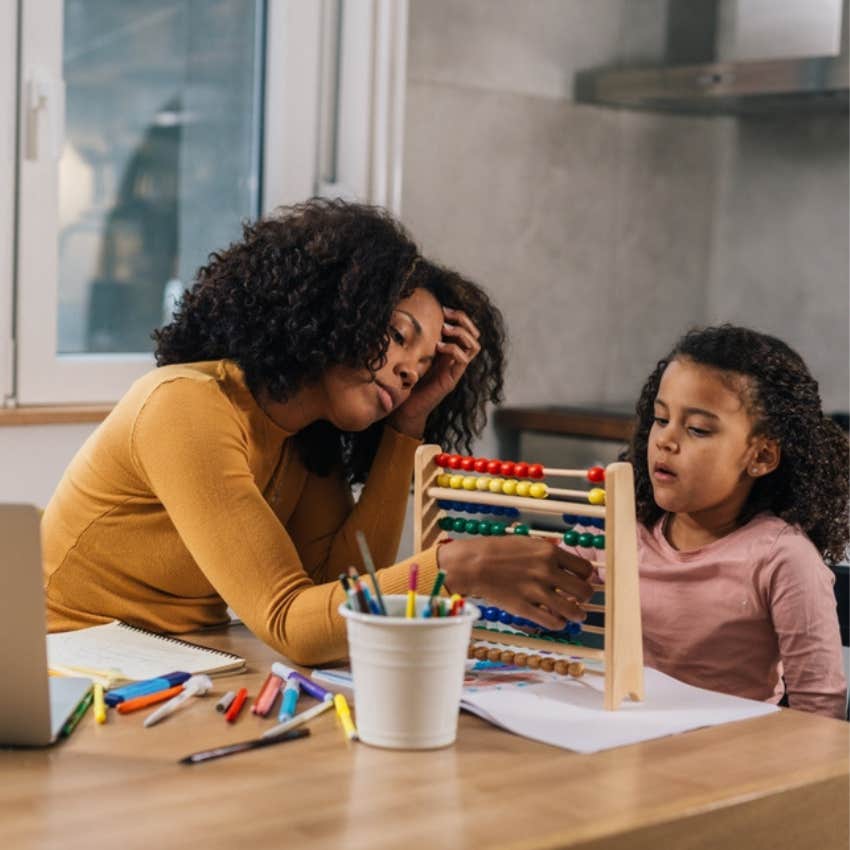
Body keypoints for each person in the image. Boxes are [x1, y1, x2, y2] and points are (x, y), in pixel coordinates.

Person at [43, 199, 593, 665]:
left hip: (174, 661)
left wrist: (407, 423)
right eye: (400, 336)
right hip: (63, 665)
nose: (408, 371)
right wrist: (457, 569)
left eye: (423, 369)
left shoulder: (303, 438)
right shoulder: (185, 406)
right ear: (335, 310)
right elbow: (291, 623)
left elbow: (346, 586)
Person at [570, 325, 847, 717]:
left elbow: (821, 709)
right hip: (626, 742)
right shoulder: (623, 529)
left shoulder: (782, 559)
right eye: (661, 418)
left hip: (731, 762)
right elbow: (536, 590)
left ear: (762, 457)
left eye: (697, 429)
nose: (666, 440)